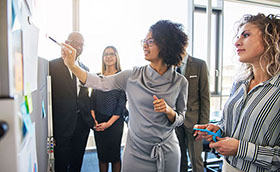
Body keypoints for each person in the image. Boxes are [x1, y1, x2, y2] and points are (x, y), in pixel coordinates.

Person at [61, 20, 189, 172]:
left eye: (150, 41)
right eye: (144, 41)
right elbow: (99, 82)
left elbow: (180, 119)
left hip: (167, 152)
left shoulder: (180, 82)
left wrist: (169, 111)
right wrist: (72, 66)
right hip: (136, 152)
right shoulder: (132, 76)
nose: (144, 45)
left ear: (165, 44)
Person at [194, 13, 280, 172]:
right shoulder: (239, 83)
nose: (237, 42)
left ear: (270, 40)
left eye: (246, 35)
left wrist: (241, 148)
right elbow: (233, 125)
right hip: (226, 166)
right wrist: (218, 129)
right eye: (238, 36)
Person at [49, 32, 93, 172]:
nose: (78, 47)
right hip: (62, 126)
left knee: (77, 162)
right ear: (66, 42)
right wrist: (51, 131)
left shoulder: (85, 69)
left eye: (81, 44)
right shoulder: (52, 66)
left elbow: (85, 98)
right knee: (61, 163)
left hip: (81, 125)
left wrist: (90, 119)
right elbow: (50, 99)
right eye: (75, 42)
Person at [90, 46, 127, 172]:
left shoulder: (121, 76)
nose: (109, 56)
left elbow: (121, 103)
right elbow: (92, 100)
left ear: (117, 56)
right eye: (106, 54)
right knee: (102, 156)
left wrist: (108, 124)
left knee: (115, 156)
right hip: (99, 121)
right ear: (102, 58)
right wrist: (94, 120)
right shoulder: (98, 77)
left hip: (115, 121)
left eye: (112, 54)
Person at [175, 38, 210, 172]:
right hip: (176, 120)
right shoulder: (169, 65)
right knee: (180, 158)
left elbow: (205, 97)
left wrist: (204, 125)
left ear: (186, 44)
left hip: (194, 121)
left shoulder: (199, 64)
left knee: (196, 160)